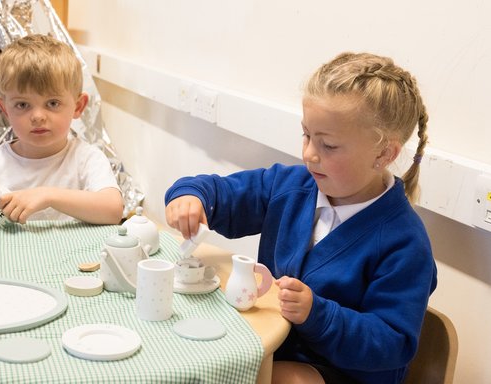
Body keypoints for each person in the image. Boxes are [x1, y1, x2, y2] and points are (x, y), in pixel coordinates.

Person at [164, 52, 437, 384]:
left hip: (340, 373)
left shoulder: (405, 242)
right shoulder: (291, 186)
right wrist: (191, 197)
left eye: (329, 146)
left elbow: (392, 342)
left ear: (384, 154)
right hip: (273, 350)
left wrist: (315, 314)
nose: (309, 153)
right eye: (307, 135)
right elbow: (225, 194)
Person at [0, 34, 123, 228]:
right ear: (5, 110)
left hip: (75, 258)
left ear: (78, 107)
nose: (37, 116)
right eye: (22, 104)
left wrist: (48, 195)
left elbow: (113, 210)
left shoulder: (86, 159)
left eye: (52, 103)